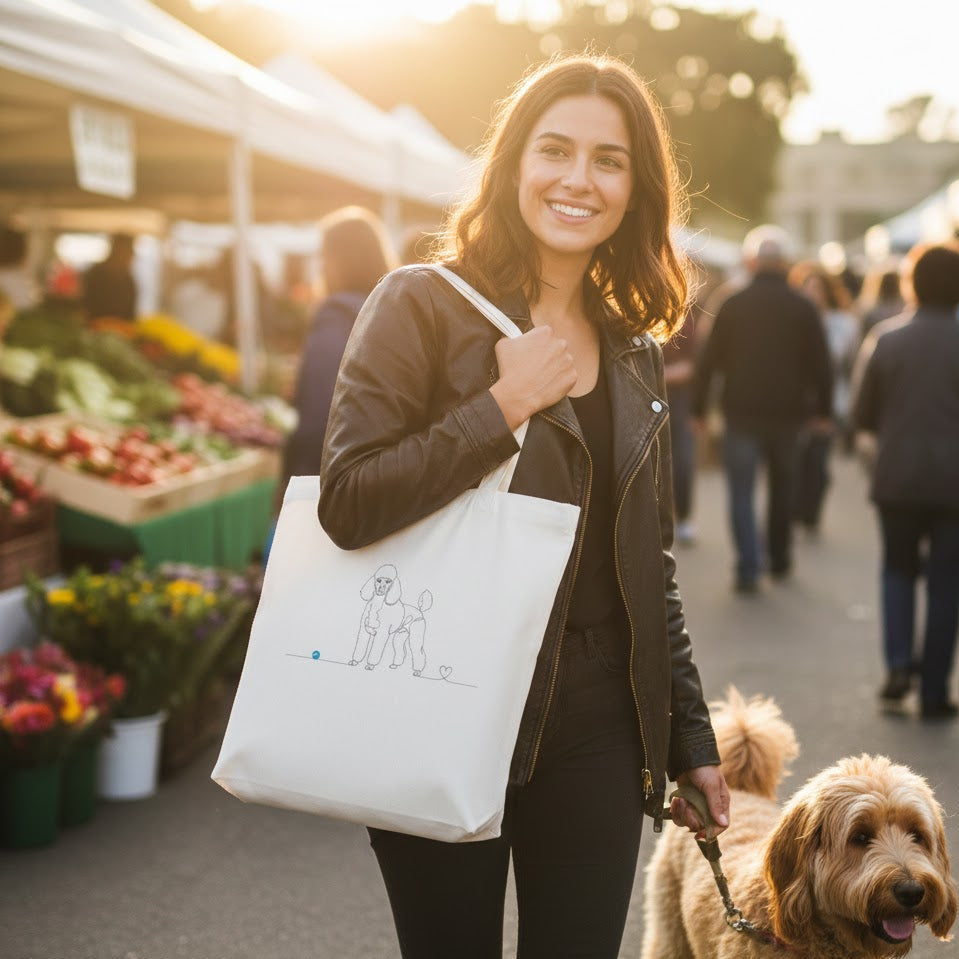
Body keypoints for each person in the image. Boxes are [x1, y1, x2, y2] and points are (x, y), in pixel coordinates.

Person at [317, 54, 730, 958]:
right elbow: (347, 502)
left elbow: (646, 565)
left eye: (609, 159)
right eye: (555, 150)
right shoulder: (418, 305)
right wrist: (498, 409)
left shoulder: (632, 349)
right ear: (512, 165)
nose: (578, 179)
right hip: (441, 690)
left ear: (636, 188)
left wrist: (687, 736)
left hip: (596, 715)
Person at [850, 242, 959, 721]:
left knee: (897, 570)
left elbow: (862, 413)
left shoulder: (886, 339)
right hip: (954, 483)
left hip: (896, 476)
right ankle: (934, 688)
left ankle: (897, 667)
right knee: (946, 583)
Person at [691, 225, 832, 593]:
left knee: (741, 490)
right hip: (790, 413)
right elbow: (822, 363)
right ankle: (780, 558)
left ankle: (748, 566)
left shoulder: (732, 303)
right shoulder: (803, 306)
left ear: (751, 261)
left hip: (741, 412)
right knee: (783, 486)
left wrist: (698, 410)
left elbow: (708, 362)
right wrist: (824, 410)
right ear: (785, 263)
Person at [278, 206, 397, 493]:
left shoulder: (335, 316)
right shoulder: (395, 310)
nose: (320, 267)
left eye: (323, 256)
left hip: (335, 482)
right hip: (386, 471)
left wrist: (296, 478)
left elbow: (321, 411)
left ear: (338, 260)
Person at [788, 259, 860, 529]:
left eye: (818, 289)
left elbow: (847, 363)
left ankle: (811, 512)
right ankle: (795, 508)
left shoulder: (844, 324)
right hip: (795, 401)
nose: (813, 295)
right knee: (795, 460)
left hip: (831, 402)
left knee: (818, 462)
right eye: (808, 288)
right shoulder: (791, 320)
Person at [663, 308, 699, 545]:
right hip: (646, 396)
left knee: (682, 462)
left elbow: (695, 364)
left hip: (680, 400)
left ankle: (683, 518)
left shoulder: (690, 318)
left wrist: (659, 373)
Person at [81, 233, 137, 321]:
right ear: (117, 250)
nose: (131, 257)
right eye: (128, 251)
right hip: (97, 327)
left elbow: (131, 312)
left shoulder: (128, 279)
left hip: (121, 329)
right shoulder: (96, 273)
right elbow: (86, 304)